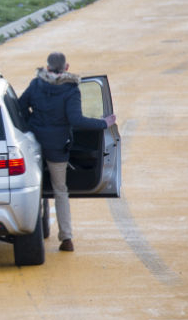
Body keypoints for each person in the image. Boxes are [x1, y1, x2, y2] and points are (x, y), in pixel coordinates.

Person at [18, 52, 116, 252]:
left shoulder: (36, 84)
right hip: (57, 147)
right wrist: (103, 123)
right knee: (60, 190)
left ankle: (32, 232)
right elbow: (76, 120)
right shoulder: (71, 90)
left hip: (34, 144)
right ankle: (66, 238)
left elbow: (20, 107)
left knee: (34, 188)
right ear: (67, 67)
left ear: (47, 67)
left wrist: (32, 125)